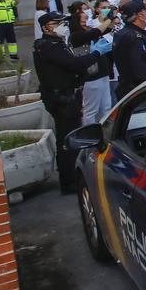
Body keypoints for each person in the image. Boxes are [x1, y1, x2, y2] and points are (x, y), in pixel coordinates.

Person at [33, 12, 106, 192]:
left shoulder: (56, 44)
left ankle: (70, 176)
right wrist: (97, 53)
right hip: (62, 99)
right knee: (68, 139)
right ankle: (70, 181)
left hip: (67, 95)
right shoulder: (48, 46)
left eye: (62, 22)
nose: (61, 25)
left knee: (68, 136)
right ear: (46, 28)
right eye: (56, 23)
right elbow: (74, 64)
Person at [112, 1, 146, 100]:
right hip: (139, 91)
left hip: (138, 88)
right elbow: (139, 67)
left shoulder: (134, 33)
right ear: (140, 15)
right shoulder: (132, 36)